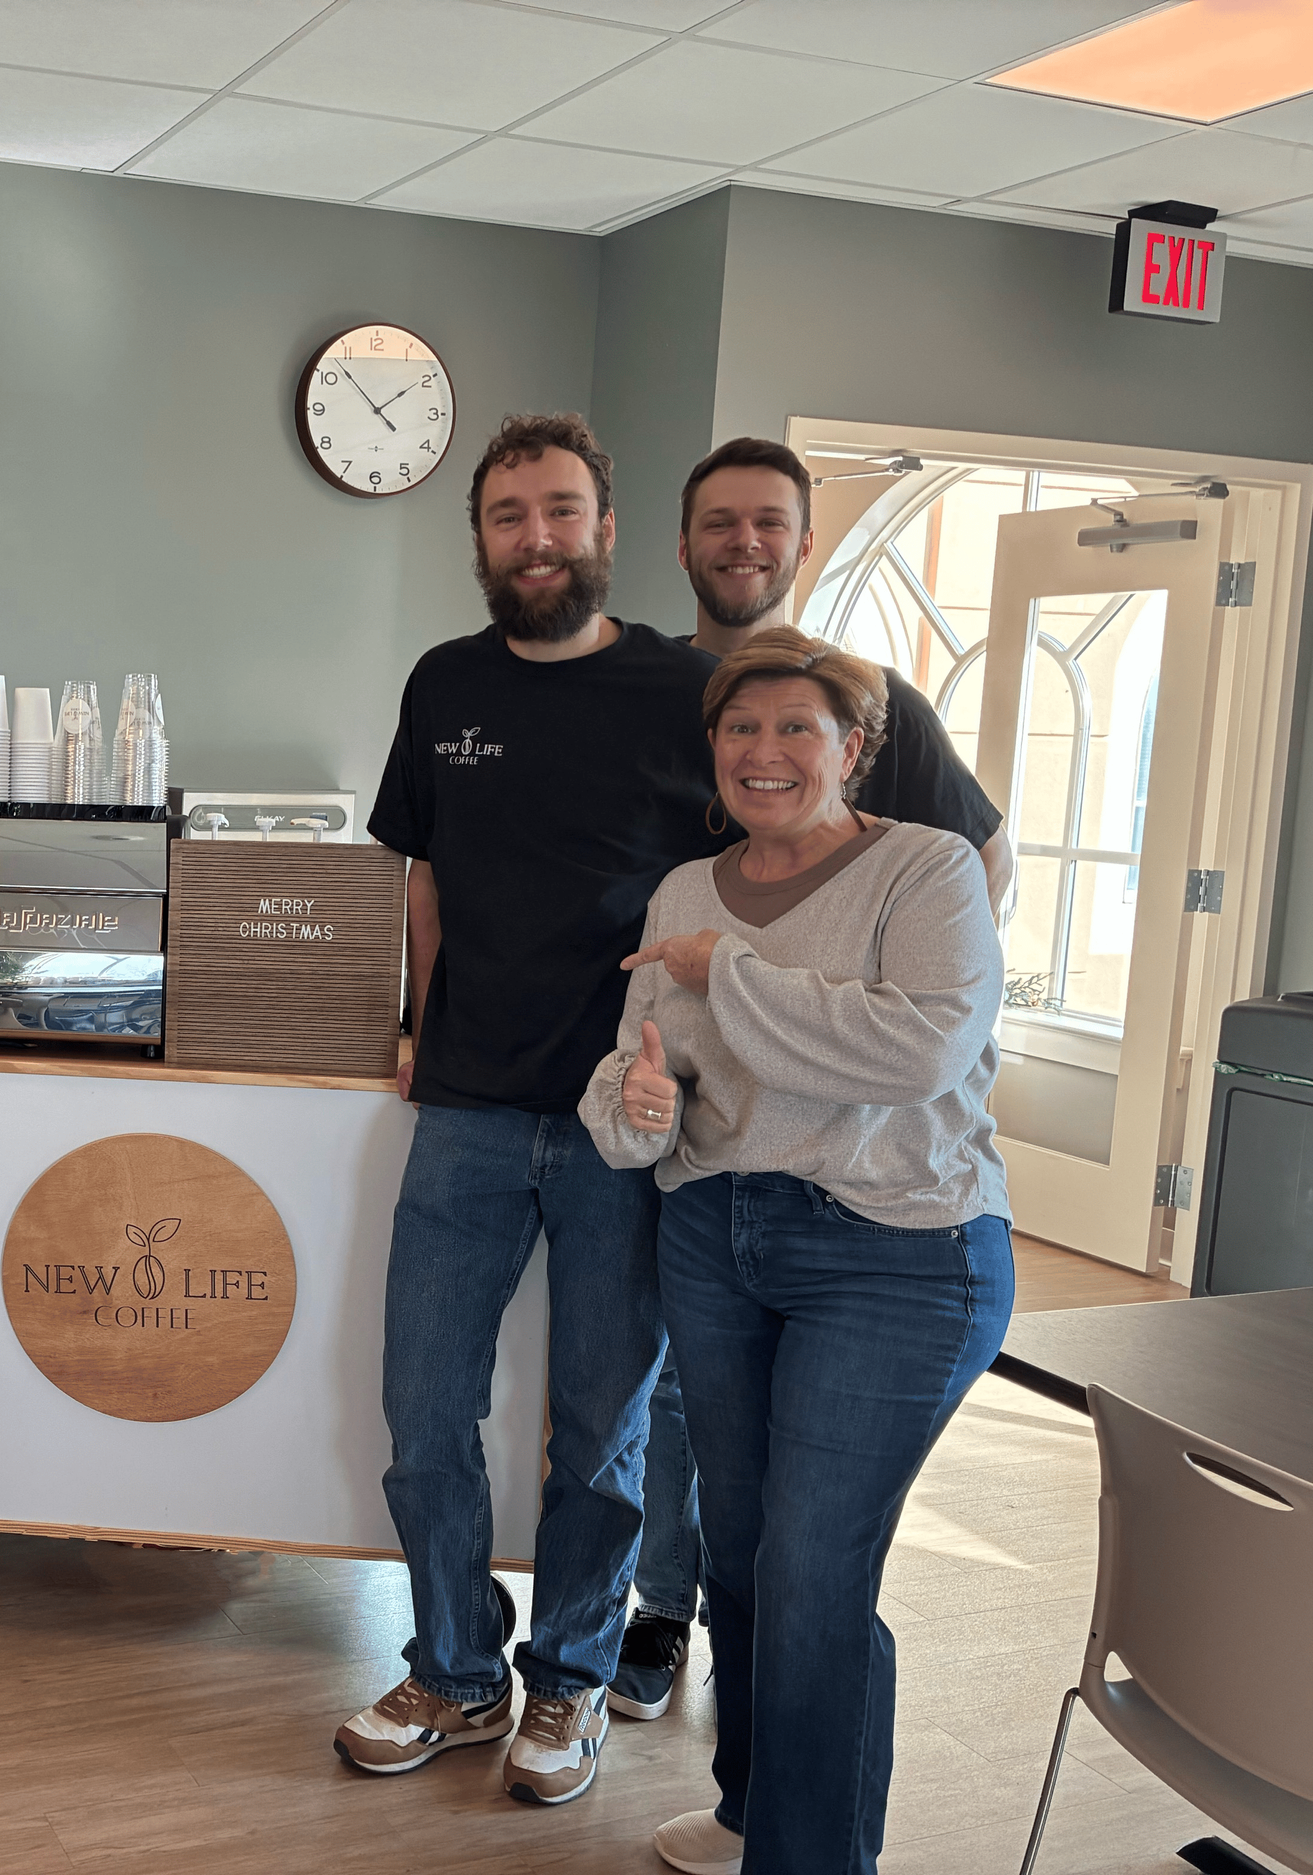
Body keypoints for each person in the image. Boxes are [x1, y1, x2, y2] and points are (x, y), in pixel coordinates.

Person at [335, 413, 726, 1804]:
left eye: (561, 509)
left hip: (625, 1117)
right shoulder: (445, 684)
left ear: (607, 527)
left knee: (601, 1426)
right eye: (510, 515)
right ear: (483, 538)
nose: (538, 536)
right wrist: (411, 1021)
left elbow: (737, 893)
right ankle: (454, 1666)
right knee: (424, 1405)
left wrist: (689, 1054)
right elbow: (422, 880)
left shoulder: (690, 688)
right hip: (472, 1109)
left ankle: (566, 1680)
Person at [581, 627, 1011, 1875]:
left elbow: (920, 1050)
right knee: (743, 1554)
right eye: (740, 730)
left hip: (900, 1249)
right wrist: (635, 1108)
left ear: (853, 749)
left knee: (817, 1568)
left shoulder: (926, 873)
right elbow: (641, 1060)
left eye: (795, 730)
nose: (763, 753)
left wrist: (734, 975)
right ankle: (754, 1807)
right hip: (718, 1233)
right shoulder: (681, 891)